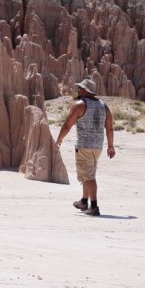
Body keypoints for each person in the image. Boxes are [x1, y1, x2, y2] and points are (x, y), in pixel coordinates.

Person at [54, 78, 116, 216]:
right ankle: (83, 201)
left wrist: (59, 139)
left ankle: (94, 206)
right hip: (98, 147)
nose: (78, 90)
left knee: (88, 177)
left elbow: (67, 125)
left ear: (85, 91)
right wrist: (110, 146)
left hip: (84, 146)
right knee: (87, 174)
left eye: (80, 88)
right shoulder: (104, 106)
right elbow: (110, 128)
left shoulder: (79, 105)